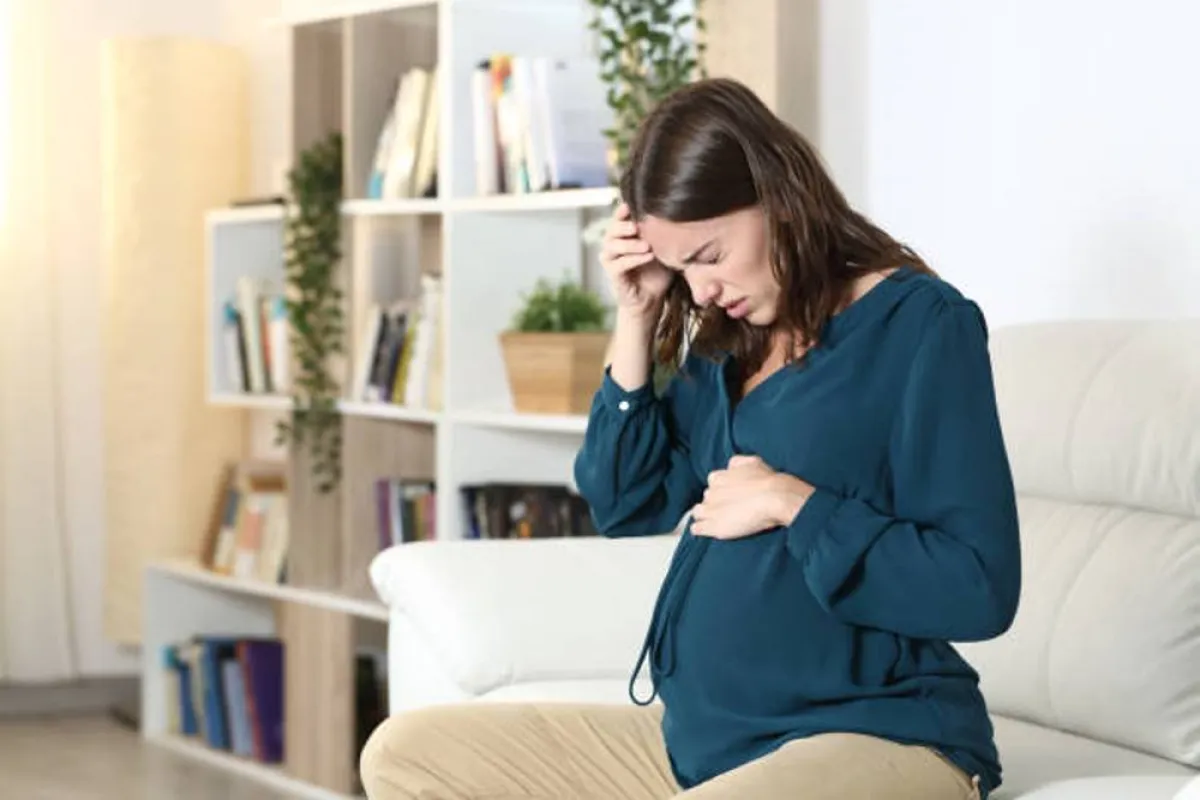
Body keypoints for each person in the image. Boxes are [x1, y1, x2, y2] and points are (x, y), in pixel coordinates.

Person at [359, 77, 1020, 800]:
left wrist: (794, 502)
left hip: (877, 736)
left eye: (708, 254)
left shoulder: (920, 326)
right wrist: (638, 316)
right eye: (680, 269)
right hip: (707, 748)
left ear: (779, 193)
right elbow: (627, 504)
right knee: (406, 753)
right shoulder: (723, 346)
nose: (700, 290)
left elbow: (979, 587)